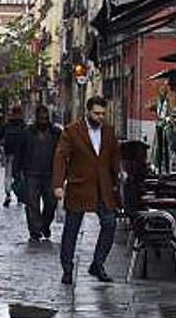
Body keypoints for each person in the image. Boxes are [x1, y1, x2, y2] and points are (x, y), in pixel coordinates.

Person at [53, 96, 121, 284]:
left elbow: (114, 157)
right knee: (71, 229)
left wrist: (119, 177)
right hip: (79, 186)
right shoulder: (72, 131)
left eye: (103, 114)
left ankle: (97, 264)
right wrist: (58, 184)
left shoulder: (109, 131)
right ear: (88, 112)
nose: (100, 117)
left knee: (110, 223)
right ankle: (67, 269)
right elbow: (60, 157)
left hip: (102, 187)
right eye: (96, 113)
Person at [15, 105, 62, 241]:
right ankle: (35, 231)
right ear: (36, 118)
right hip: (31, 173)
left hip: (50, 174)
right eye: (41, 118)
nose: (43, 121)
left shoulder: (56, 132)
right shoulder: (26, 133)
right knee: (32, 204)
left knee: (51, 203)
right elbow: (20, 152)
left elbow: (62, 153)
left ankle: (45, 224)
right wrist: (17, 172)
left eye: (46, 118)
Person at [0, 106, 26, 207]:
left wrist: (2, 148)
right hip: (20, 156)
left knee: (8, 176)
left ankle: (8, 195)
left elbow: (0, 138)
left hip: (9, 154)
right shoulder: (24, 126)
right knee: (19, 177)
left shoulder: (7, 125)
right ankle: (19, 196)